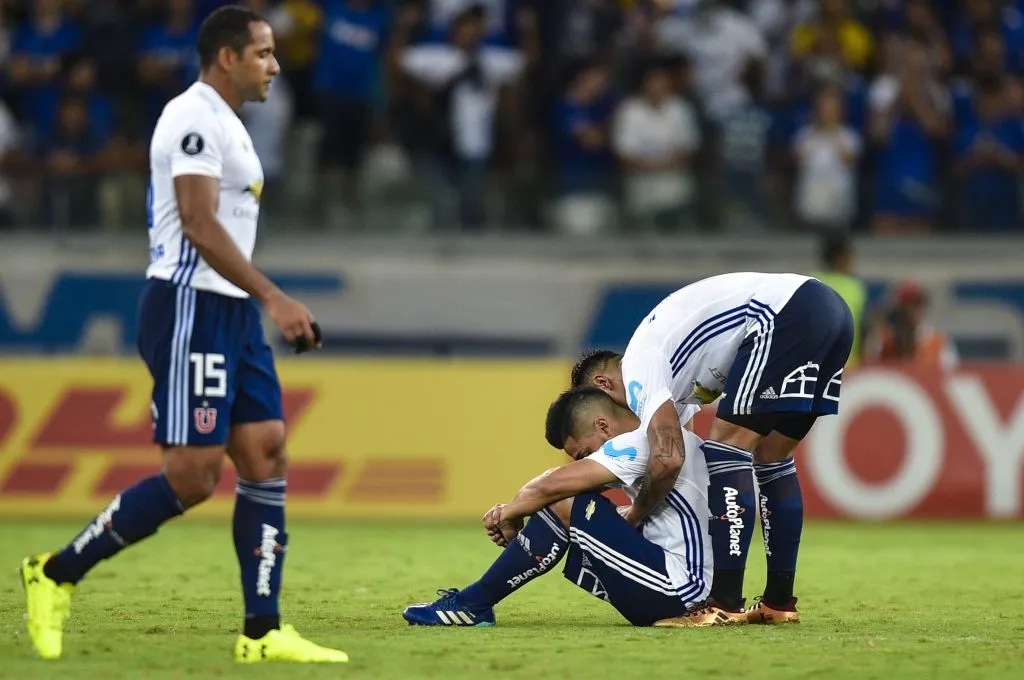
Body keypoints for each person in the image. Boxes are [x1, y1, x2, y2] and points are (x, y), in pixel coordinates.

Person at [19, 6, 347, 664]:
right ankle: (55, 573)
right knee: (193, 476)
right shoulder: (191, 115)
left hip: (230, 313)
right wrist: (274, 295)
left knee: (265, 452)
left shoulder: (231, 126)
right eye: (262, 54)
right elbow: (196, 223)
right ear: (227, 57)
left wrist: (257, 304)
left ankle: (262, 632)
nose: (275, 66)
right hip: (190, 306)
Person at [569, 272, 854, 624]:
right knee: (772, 457)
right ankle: (778, 603)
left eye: (601, 409)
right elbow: (684, 463)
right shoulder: (671, 378)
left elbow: (670, 459)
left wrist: (637, 511)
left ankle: (725, 602)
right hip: (831, 312)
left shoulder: (638, 368)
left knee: (725, 448)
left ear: (603, 383)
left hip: (782, 313)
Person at [402, 387, 724, 628]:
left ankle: (473, 604)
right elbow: (551, 484)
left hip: (680, 591)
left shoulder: (637, 442)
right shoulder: (657, 439)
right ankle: (475, 603)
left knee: (567, 501)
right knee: (566, 502)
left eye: (584, 453)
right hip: (678, 582)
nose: (585, 462)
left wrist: (509, 513)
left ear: (603, 426)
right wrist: (519, 507)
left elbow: (551, 485)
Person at [812, 233, 866, 367]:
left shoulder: (810, 283)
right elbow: (863, 328)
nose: (853, 261)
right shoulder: (854, 287)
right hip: (848, 367)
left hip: (814, 367)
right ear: (839, 258)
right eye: (850, 256)